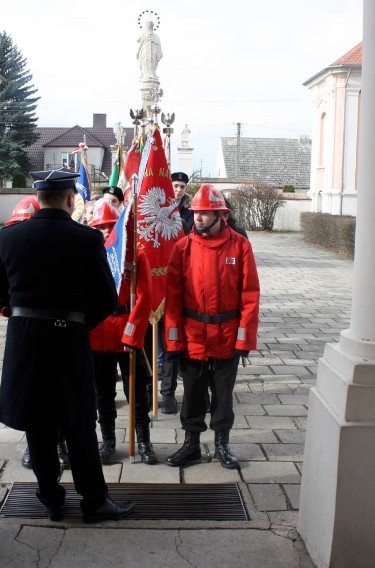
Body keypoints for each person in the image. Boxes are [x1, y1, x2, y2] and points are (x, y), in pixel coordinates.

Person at [0, 169, 135, 523]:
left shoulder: (8, 238)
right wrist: (78, 323)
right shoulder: (86, 239)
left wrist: (27, 319)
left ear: (38, 198)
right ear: (71, 199)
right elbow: (105, 299)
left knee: (36, 421)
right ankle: (93, 500)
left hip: (26, 340)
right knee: (79, 421)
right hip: (70, 339)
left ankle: (51, 498)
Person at [163, 184, 260, 469]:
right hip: (193, 335)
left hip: (227, 336)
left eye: (205, 213)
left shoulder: (240, 246)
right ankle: (191, 444)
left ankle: (222, 444)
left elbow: (250, 295)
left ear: (222, 215)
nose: (198, 218)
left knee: (223, 394)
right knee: (192, 392)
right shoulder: (183, 248)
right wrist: (173, 340)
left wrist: (244, 339)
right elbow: (173, 300)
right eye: (196, 213)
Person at [0, 196, 72, 470]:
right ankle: (36, 446)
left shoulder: (58, 247)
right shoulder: (5, 247)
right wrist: (17, 313)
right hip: (26, 333)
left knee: (57, 393)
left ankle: (59, 442)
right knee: (30, 394)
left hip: (59, 331)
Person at [87, 200, 157, 465]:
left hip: (127, 332)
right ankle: (108, 442)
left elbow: (144, 299)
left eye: (109, 226)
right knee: (102, 394)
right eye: (100, 227)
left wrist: (132, 334)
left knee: (136, 393)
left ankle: (144, 442)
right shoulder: (90, 256)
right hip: (99, 333)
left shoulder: (135, 256)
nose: (105, 231)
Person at [156, 171, 194, 415]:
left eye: (182, 186)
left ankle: (191, 393)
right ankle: (164, 393)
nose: (178, 190)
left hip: (186, 286)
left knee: (183, 345)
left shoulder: (190, 217)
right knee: (164, 342)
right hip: (159, 284)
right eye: (175, 186)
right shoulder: (157, 214)